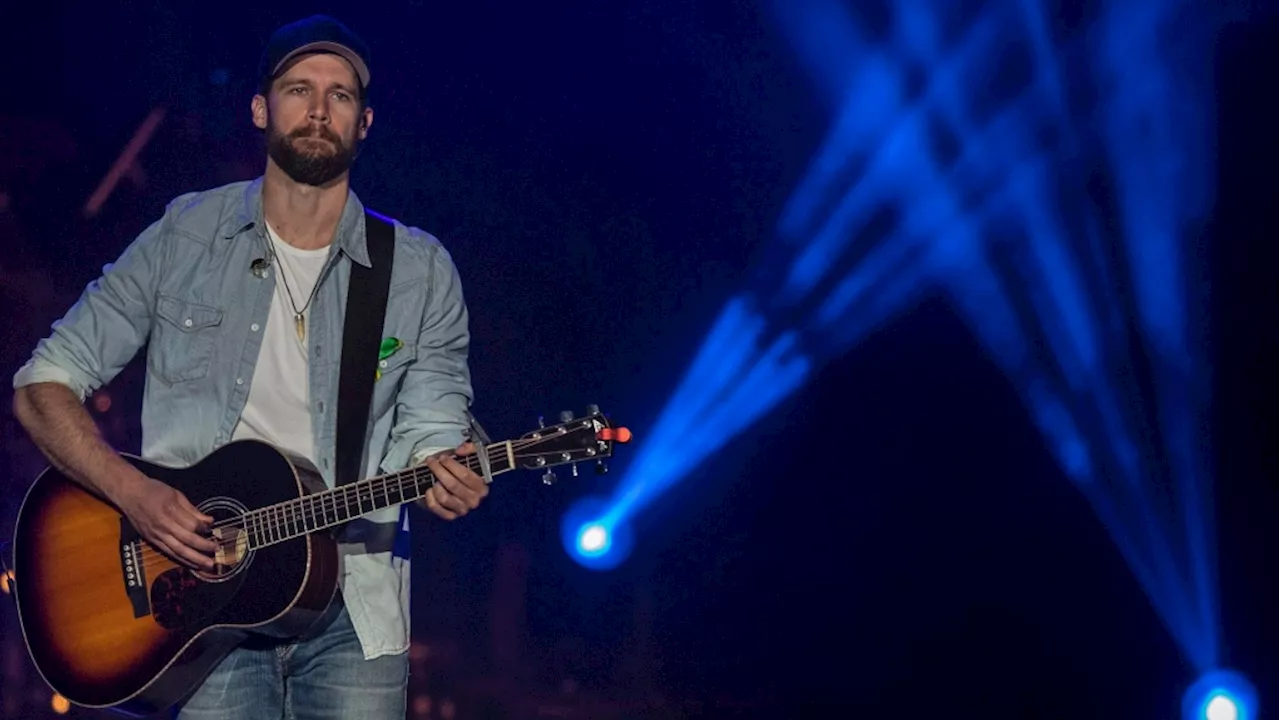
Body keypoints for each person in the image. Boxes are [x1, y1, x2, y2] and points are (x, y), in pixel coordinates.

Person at [10, 15, 489, 719]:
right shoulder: (184, 234)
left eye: (342, 95)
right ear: (262, 109)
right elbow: (41, 385)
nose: (320, 108)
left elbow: (434, 423)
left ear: (365, 123)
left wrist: (447, 471)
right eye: (299, 88)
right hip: (197, 602)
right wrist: (133, 494)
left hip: (354, 609)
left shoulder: (419, 269)